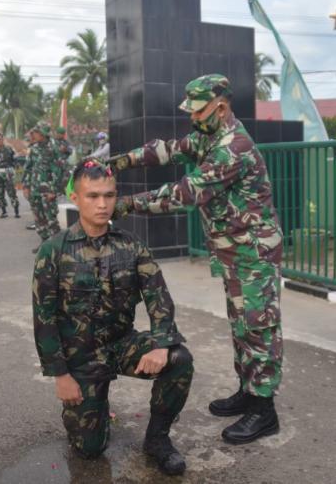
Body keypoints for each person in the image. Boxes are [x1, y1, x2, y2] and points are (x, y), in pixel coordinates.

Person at [108, 74, 283, 444]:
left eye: (198, 110)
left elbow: (183, 194)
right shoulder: (208, 134)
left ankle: (264, 409)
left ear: (220, 106)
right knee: (241, 324)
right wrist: (121, 162)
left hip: (253, 252)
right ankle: (248, 391)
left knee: (258, 326)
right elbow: (168, 149)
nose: (193, 118)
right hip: (234, 250)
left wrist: (124, 204)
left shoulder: (232, 148)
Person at [32, 160, 193, 476]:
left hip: (121, 345)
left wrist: (160, 344)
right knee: (90, 449)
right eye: (92, 196)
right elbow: (44, 318)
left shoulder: (131, 245)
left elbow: (159, 298)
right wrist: (60, 375)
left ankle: (157, 440)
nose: (103, 204)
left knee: (179, 358)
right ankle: (91, 410)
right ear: (75, 199)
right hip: (81, 359)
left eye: (109, 195)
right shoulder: (53, 250)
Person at [22, 122, 63, 253]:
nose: (34, 135)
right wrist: (26, 186)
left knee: (51, 219)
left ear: (44, 134)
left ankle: (58, 247)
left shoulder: (53, 148)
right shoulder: (33, 149)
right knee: (39, 219)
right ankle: (45, 243)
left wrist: (54, 191)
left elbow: (60, 171)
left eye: (37, 132)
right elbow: (28, 168)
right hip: (34, 190)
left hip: (48, 191)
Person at [0, 133, 20, 219]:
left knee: (12, 192)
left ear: (3, 140)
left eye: (0, 139)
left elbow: (14, 160)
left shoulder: (9, 149)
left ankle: (16, 211)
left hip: (7, 173)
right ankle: (4, 211)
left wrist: (15, 168)